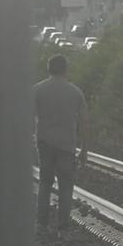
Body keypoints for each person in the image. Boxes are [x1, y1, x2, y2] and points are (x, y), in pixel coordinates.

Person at [33, 54, 89, 235]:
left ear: (49, 69)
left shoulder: (37, 89)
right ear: (66, 69)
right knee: (66, 186)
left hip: (44, 143)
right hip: (67, 145)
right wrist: (84, 149)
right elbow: (84, 122)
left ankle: (41, 224)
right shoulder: (75, 92)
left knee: (45, 183)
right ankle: (63, 228)